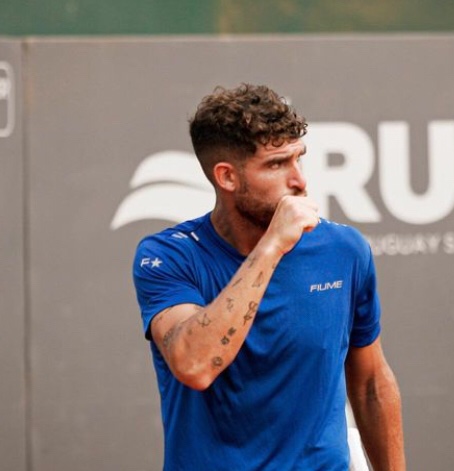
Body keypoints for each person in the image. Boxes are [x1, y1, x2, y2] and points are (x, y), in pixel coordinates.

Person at [133, 83, 406, 471]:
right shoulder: (169, 256)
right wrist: (272, 246)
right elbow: (194, 365)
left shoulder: (344, 250)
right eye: (277, 165)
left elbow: (371, 384)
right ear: (227, 177)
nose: (299, 181)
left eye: (299, 158)